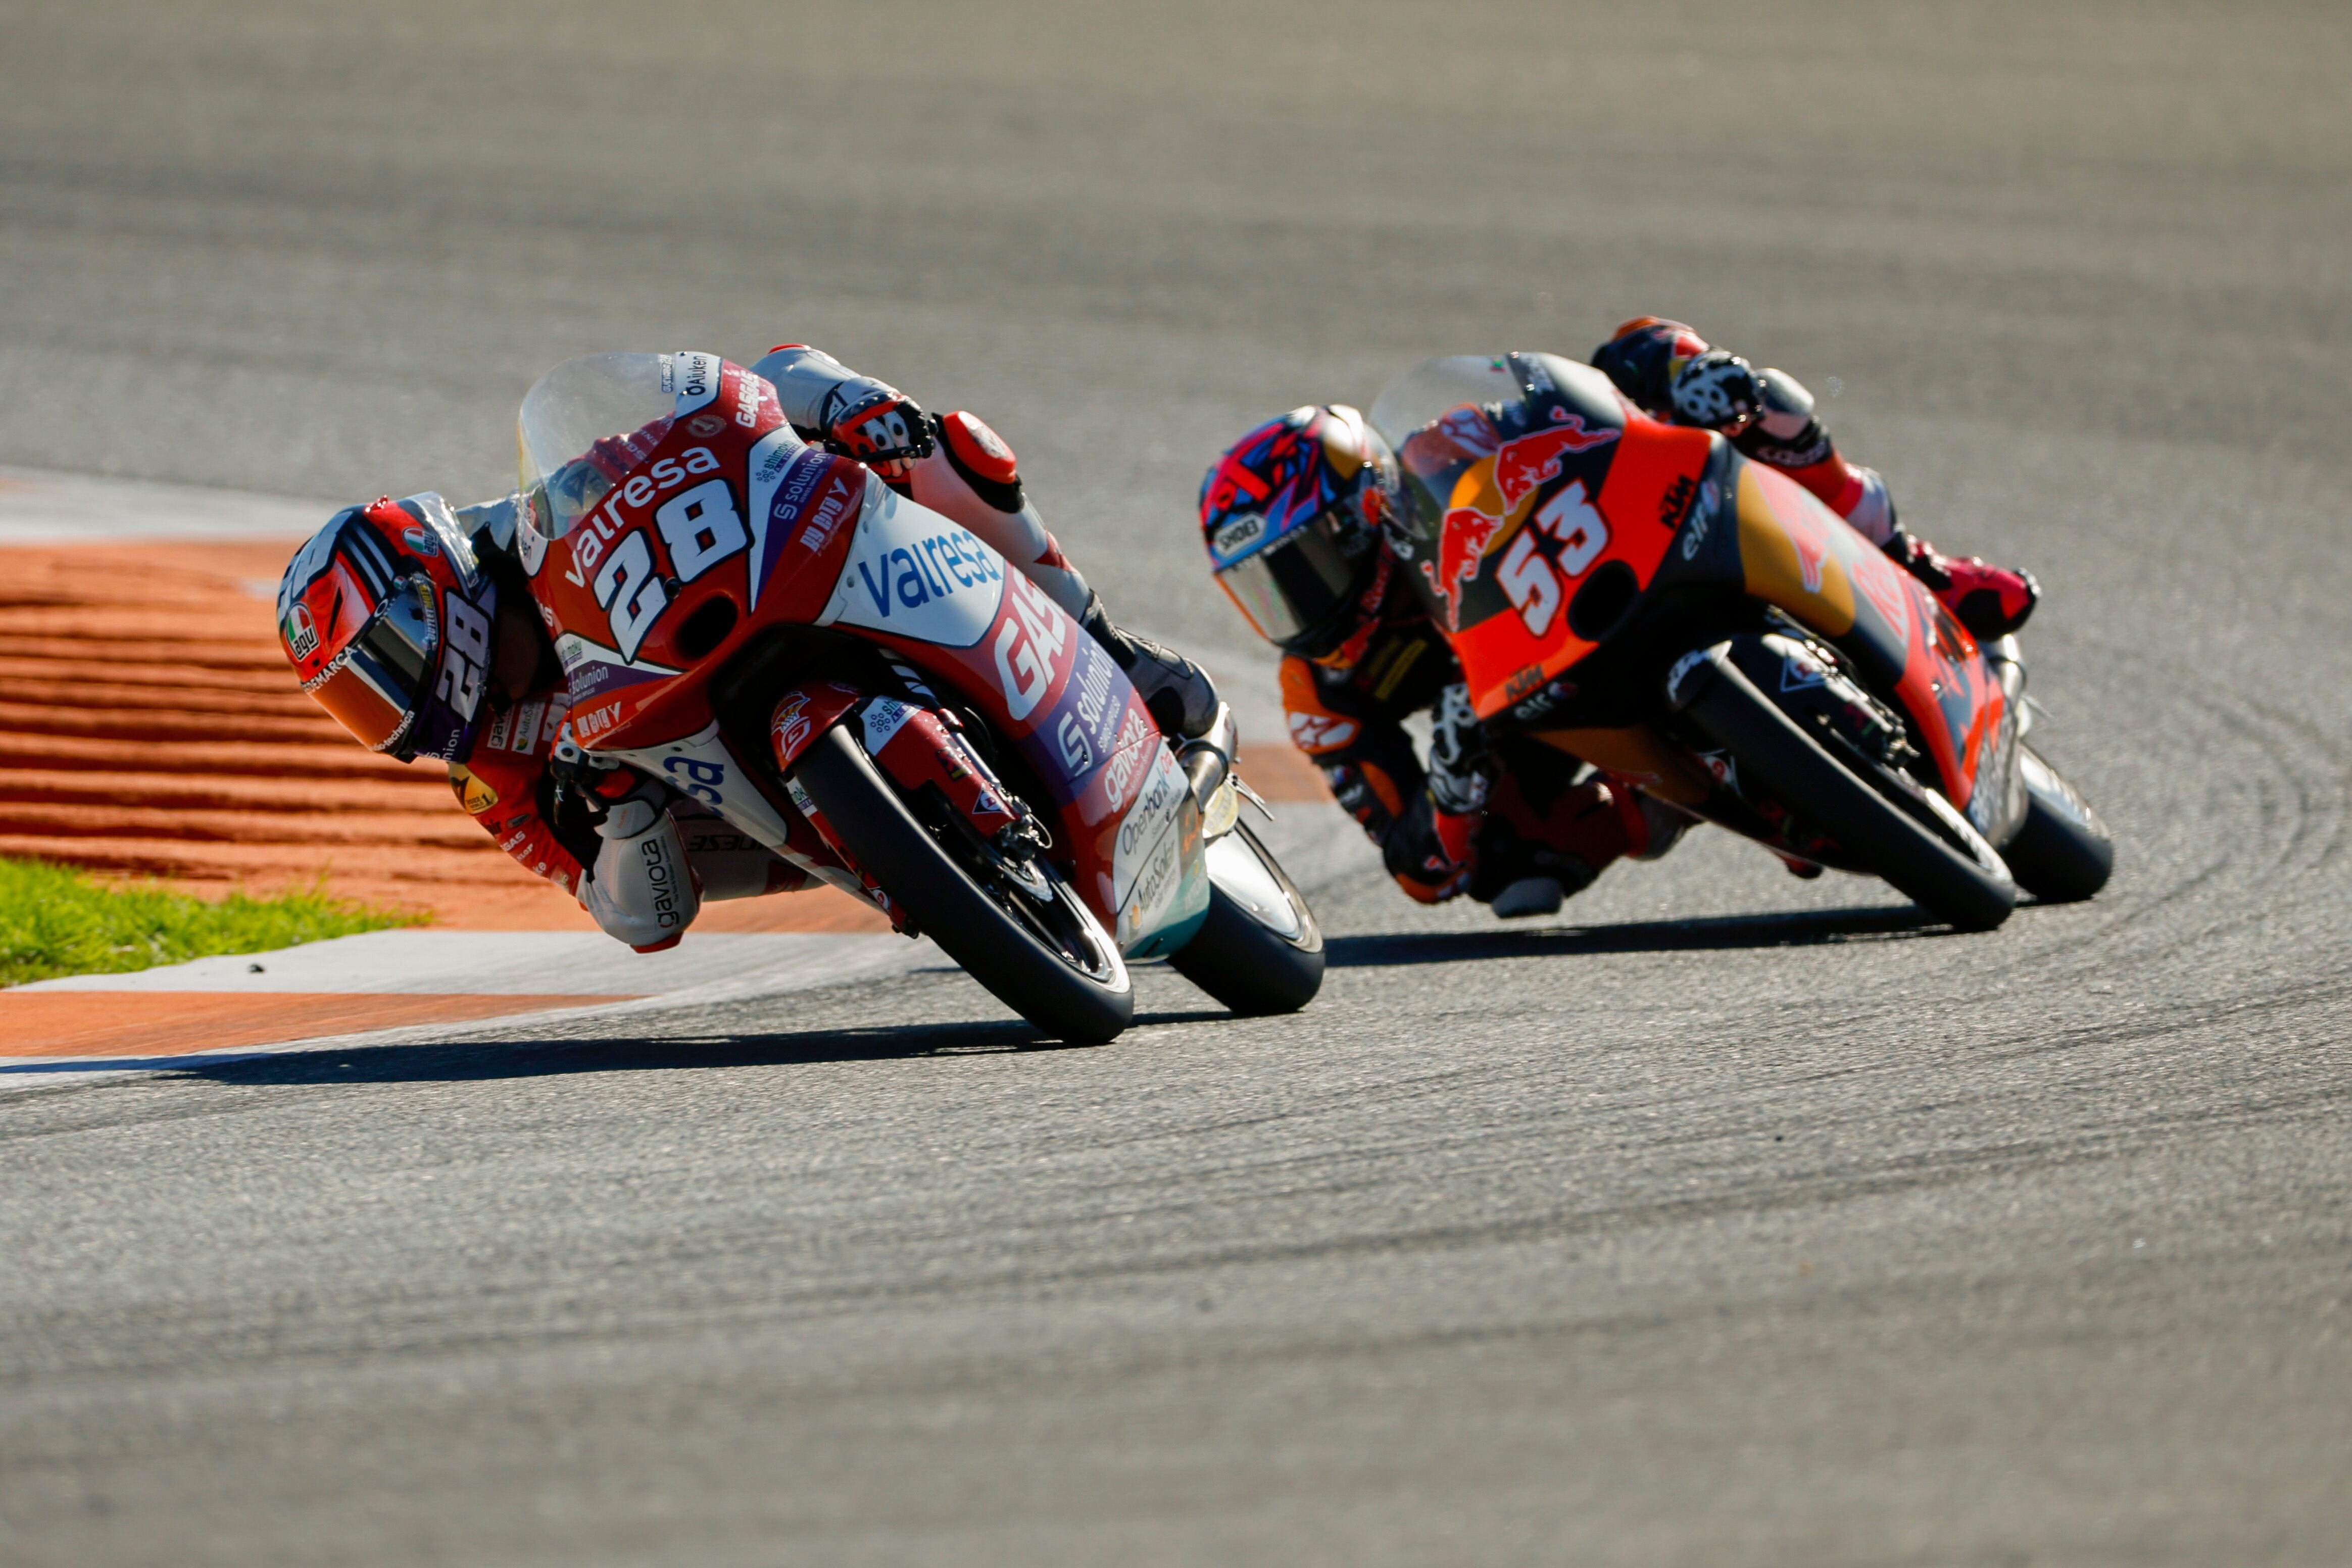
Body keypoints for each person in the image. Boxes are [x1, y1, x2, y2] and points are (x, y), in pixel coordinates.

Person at [276, 347, 1215, 951]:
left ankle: (1100, 640)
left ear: (432, 592)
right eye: (362, 706)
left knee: (947, 447)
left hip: (767, 593)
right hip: (748, 803)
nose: (397, 716)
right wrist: (618, 810)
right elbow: (635, 920)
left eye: (386, 670)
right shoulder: (491, 770)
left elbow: (735, 390)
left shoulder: (549, 509)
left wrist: (833, 404)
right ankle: (912, 857)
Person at [1198, 318, 2039, 916]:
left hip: (1609, 559)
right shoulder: (1325, 689)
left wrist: (1677, 388)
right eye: (1265, 591)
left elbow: (1572, 402)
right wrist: (1454, 784)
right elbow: (1419, 870)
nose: (1297, 608)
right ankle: (1671, 798)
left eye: (1301, 572)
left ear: (1362, 512)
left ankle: (1915, 561)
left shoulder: (1447, 444)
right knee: (1504, 870)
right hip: (1530, 709)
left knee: (1659, 351)